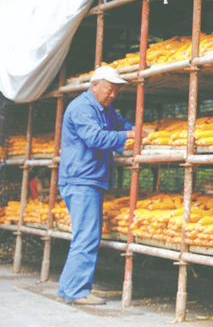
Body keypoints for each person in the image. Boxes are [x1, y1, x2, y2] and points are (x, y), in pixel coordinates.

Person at [58, 65, 147, 305]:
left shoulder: (105, 110)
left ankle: (68, 288)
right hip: (81, 180)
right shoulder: (81, 108)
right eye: (110, 90)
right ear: (95, 85)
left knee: (83, 235)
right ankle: (77, 291)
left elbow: (121, 123)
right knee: (87, 236)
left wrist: (141, 131)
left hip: (90, 179)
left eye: (116, 91)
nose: (113, 95)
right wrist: (129, 136)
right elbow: (94, 138)